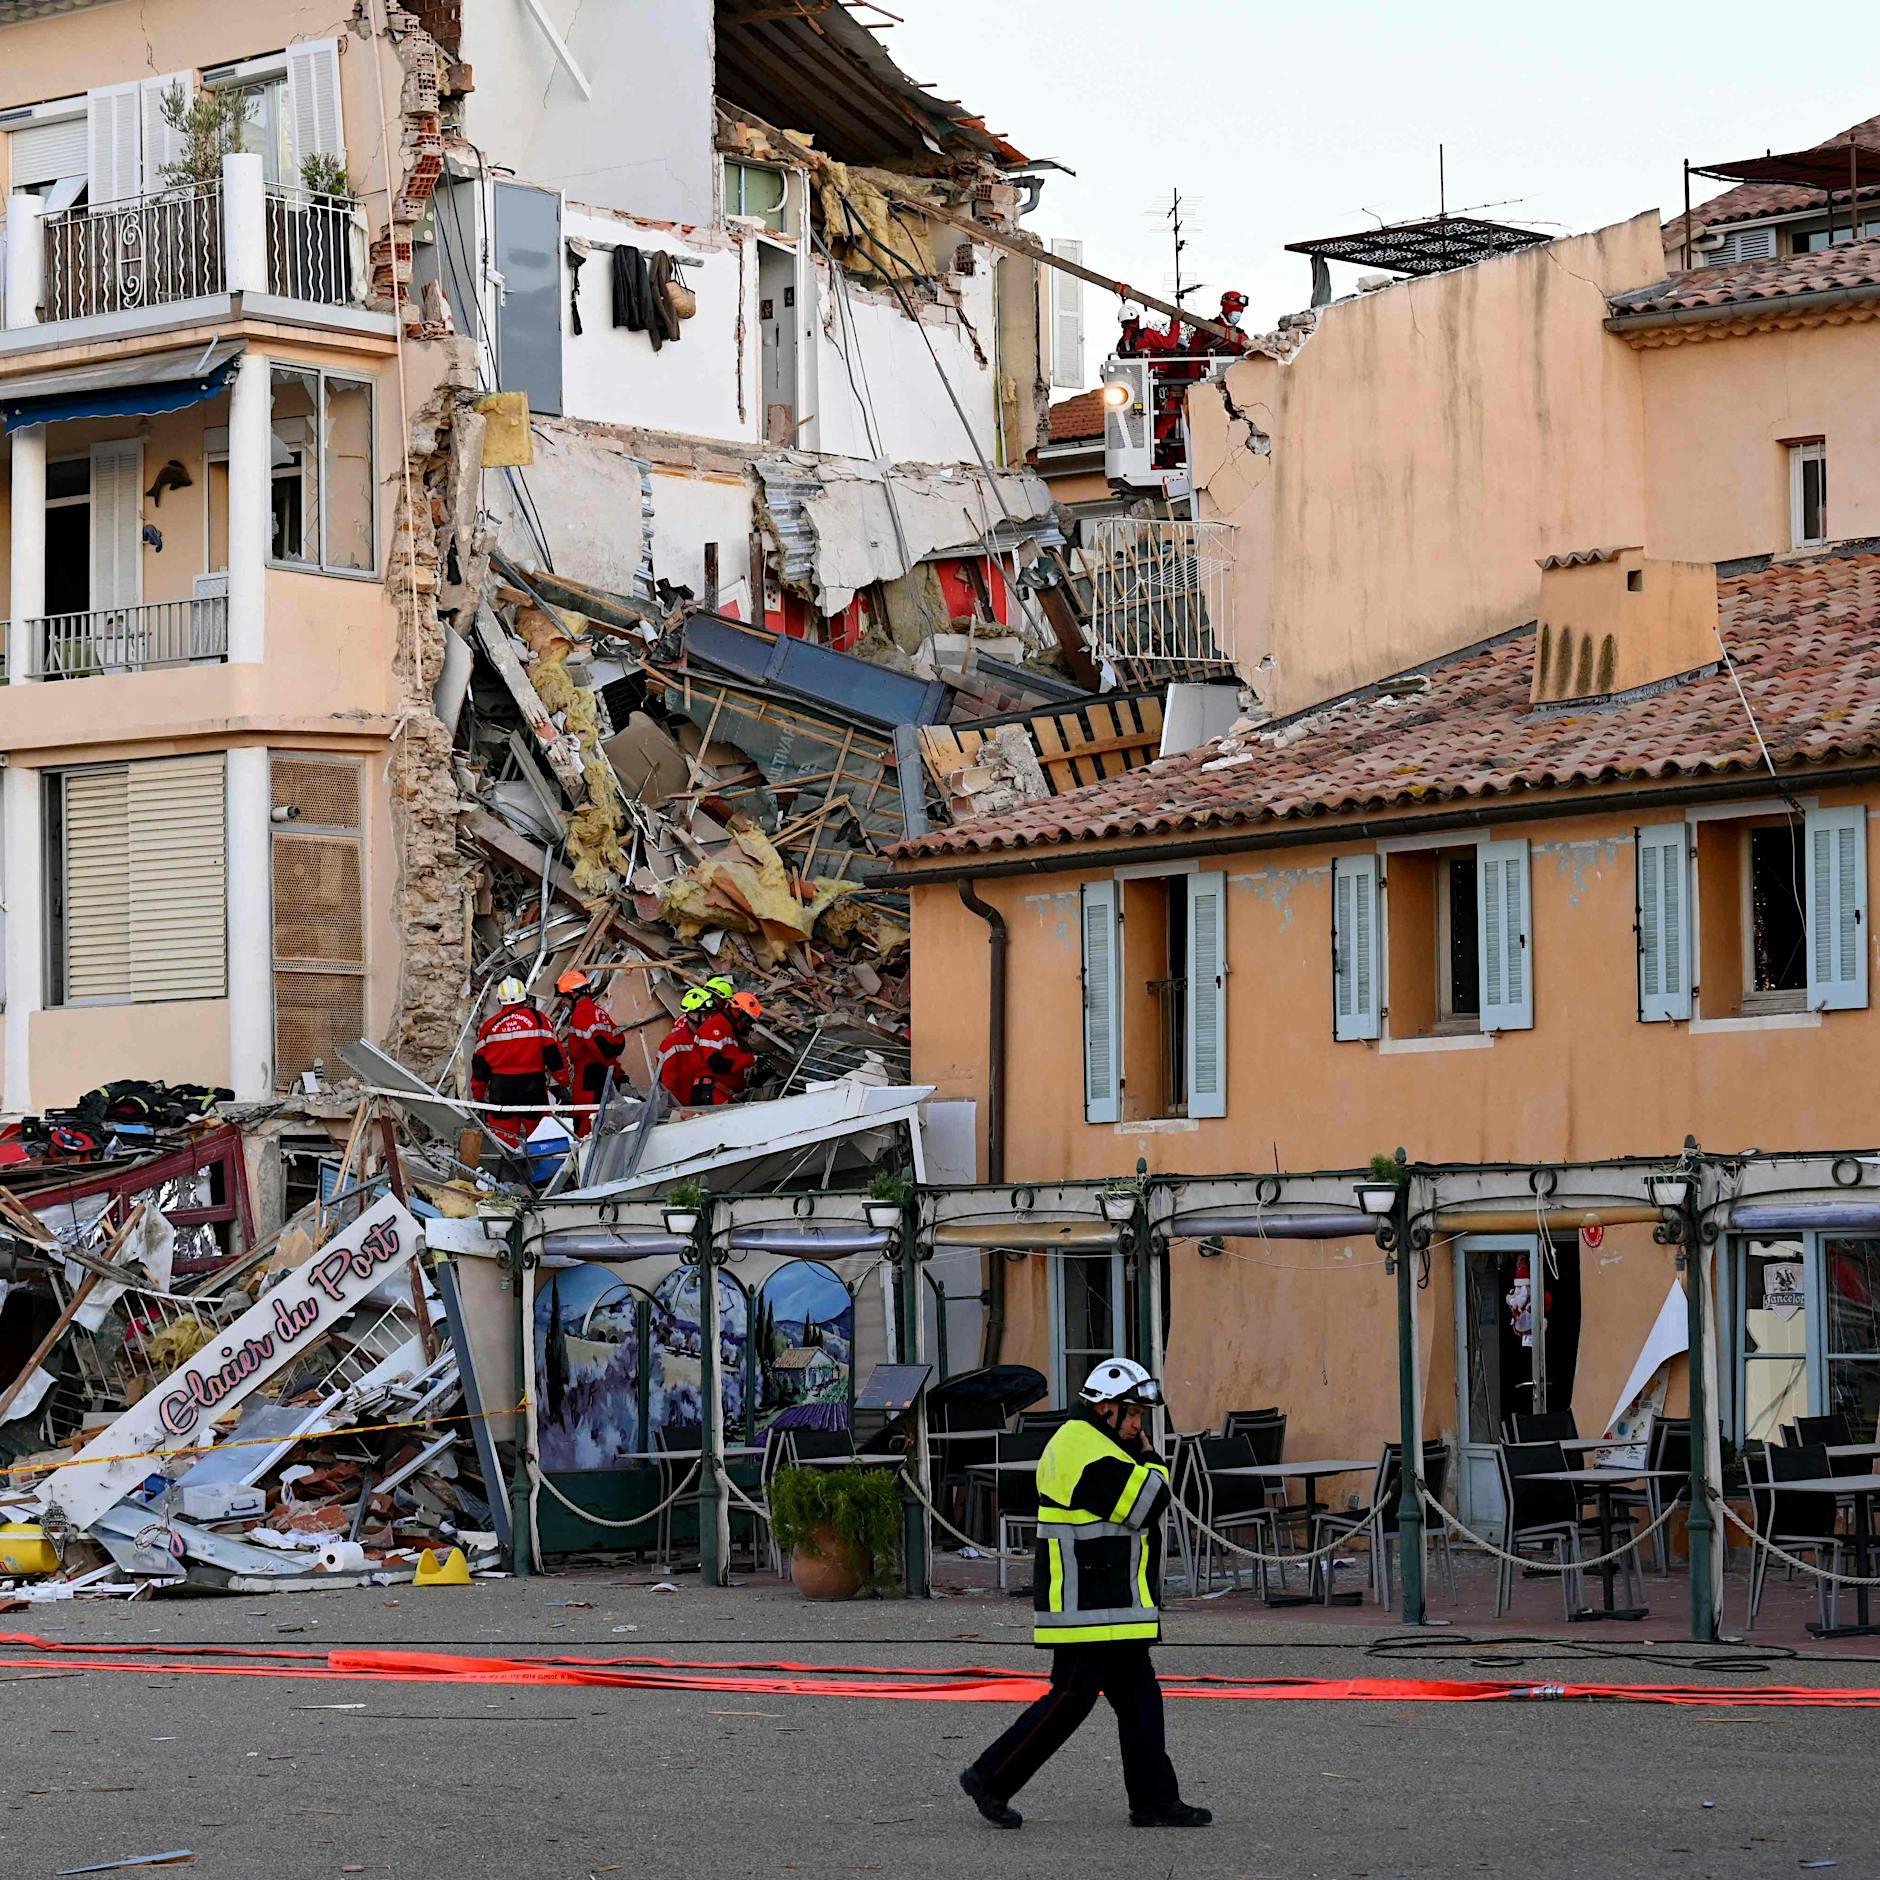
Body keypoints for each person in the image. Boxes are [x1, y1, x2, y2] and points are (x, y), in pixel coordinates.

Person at [961, 1359, 1210, 1832]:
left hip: (1106, 1601)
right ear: (1106, 1408)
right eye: (1134, 1414)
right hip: (1086, 1602)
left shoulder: (1096, 1443)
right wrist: (1154, 1459)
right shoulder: (1086, 1449)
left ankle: (1155, 1801)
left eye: (1141, 1416)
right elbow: (1147, 1504)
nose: (1139, 1425)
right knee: (1072, 1698)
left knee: (1139, 1697)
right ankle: (990, 1777)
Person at [471, 976, 569, 1151]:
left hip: (501, 1089)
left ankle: (503, 1175)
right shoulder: (540, 1020)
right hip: (533, 1087)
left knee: (503, 1138)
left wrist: (478, 1094)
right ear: (524, 996)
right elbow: (554, 1055)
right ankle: (541, 1173)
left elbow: (479, 1066)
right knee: (540, 1136)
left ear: (500, 999)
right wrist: (562, 1082)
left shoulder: (490, 1027)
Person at [556, 968, 626, 1136]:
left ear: (573, 995)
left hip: (590, 1080)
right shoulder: (598, 1012)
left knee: (586, 1127)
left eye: (564, 998)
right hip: (600, 1075)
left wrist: (614, 1072)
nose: (563, 1003)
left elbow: (601, 1050)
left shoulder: (581, 1014)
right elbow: (617, 1041)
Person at [693, 977, 759, 1105]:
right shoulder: (714, 1027)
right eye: (747, 1021)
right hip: (711, 1094)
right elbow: (718, 1064)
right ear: (737, 1012)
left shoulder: (728, 1031)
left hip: (721, 1094)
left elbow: (731, 1062)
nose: (747, 1026)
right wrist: (752, 1060)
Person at [655, 987, 716, 1108]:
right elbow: (668, 1084)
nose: (709, 1018)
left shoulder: (713, 1036)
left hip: (711, 1103)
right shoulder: (673, 1043)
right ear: (692, 1014)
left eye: (710, 1014)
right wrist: (680, 1110)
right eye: (704, 1014)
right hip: (685, 1109)